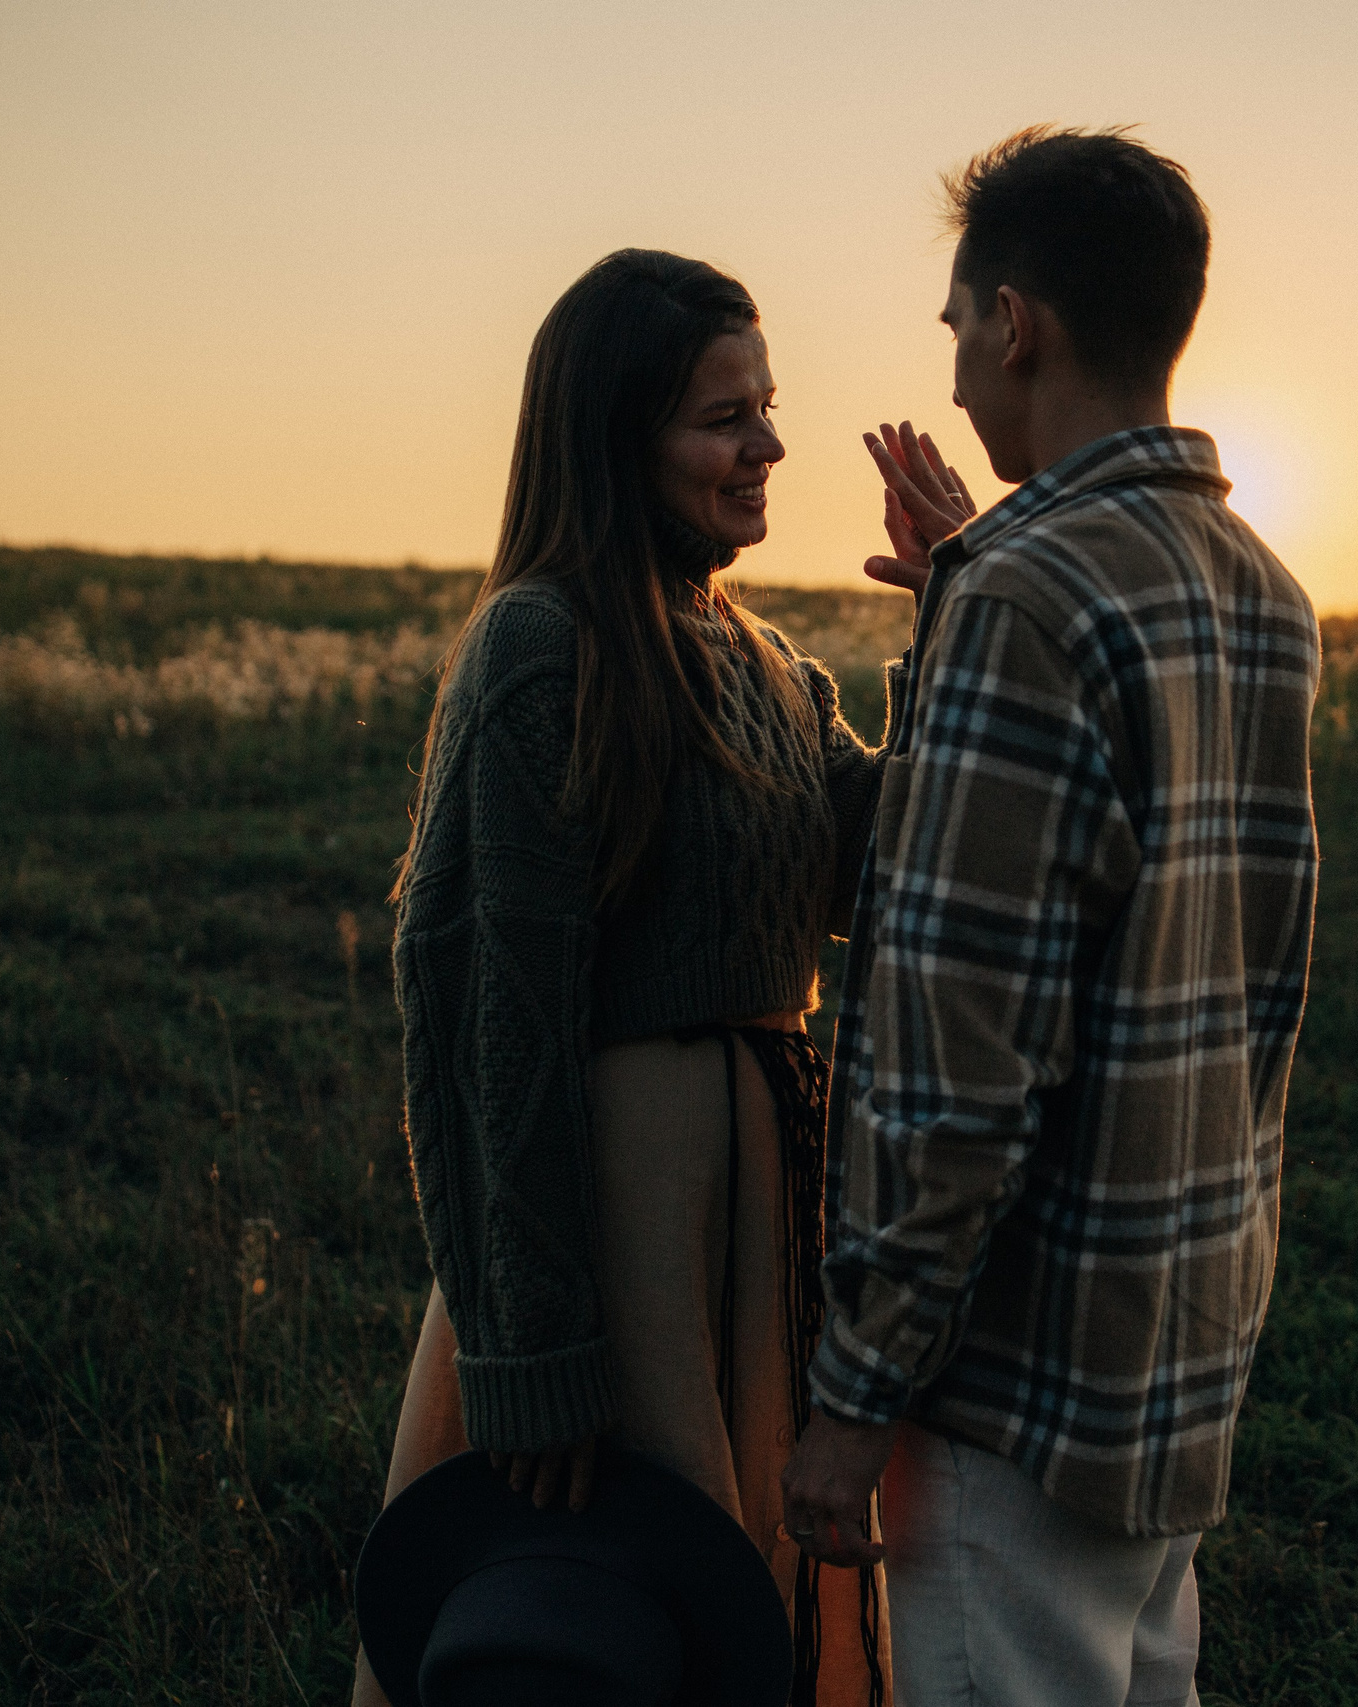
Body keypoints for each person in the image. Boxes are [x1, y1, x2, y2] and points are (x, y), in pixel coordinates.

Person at [781, 127, 1323, 1707]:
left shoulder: (1027, 601)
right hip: (1172, 1353)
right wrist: (969, 579)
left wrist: (855, 1386)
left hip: (1008, 1396)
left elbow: (963, 1064)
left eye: (956, 328)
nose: (951, 377)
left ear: (1016, 320)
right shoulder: (1257, 587)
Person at [357, 248, 901, 1706]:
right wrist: (530, 1347)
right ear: (619, 440)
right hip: (617, 1229)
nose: (769, 445)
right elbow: (485, 1010)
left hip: (758, 1208)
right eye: (725, 418)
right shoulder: (545, 648)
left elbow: (868, 872)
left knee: (733, 1605)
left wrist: (963, 618)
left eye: (767, 407)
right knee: (597, 1620)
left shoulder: (773, 662)